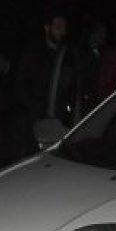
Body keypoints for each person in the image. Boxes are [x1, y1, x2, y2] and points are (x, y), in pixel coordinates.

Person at [12, 10, 74, 155]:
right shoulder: (32, 52)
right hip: (34, 120)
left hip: (59, 120)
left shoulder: (68, 53)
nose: (63, 32)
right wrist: (36, 109)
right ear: (47, 28)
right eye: (58, 27)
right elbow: (20, 86)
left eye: (64, 28)